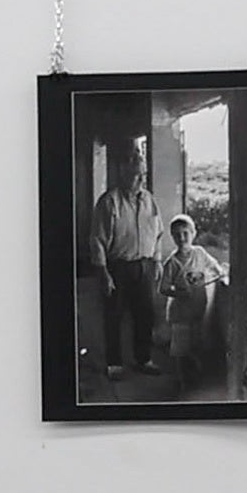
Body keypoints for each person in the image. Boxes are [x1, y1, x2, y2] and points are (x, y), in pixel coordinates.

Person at [94, 147, 171, 376]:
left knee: (145, 315)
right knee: (114, 315)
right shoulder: (109, 202)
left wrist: (157, 261)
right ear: (123, 172)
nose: (140, 180)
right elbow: (97, 240)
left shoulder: (149, 201)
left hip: (144, 266)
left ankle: (143, 359)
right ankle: (114, 363)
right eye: (136, 175)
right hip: (117, 267)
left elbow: (158, 233)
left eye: (142, 175)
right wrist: (103, 273)